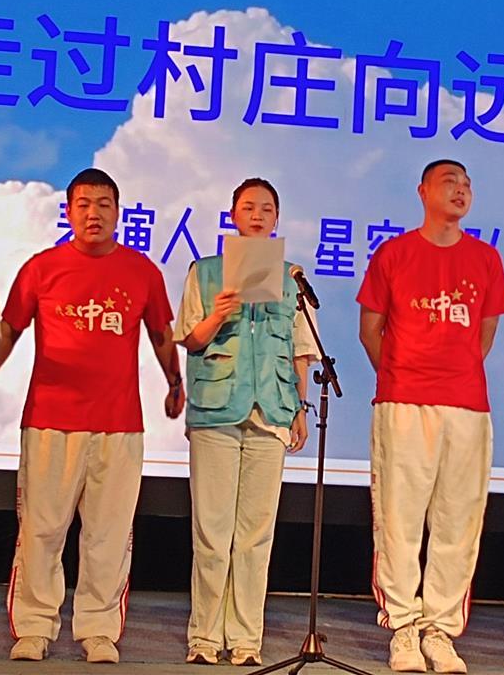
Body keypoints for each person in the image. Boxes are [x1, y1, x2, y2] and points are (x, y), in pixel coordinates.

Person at [0, 167, 184, 663]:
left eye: (103, 204)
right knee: (42, 529)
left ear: (118, 213)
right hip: (50, 419)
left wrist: (175, 382)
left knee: (108, 533)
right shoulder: (42, 268)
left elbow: (161, 334)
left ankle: (98, 629)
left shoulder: (142, 271)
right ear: (69, 212)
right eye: (83, 204)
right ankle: (34, 627)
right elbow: (9, 330)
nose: (93, 213)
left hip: (119, 423)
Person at [357, 159, 504, 675]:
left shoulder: (485, 258)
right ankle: (402, 625)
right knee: (399, 518)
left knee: (457, 521)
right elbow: (370, 330)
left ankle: (440, 629)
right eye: (450, 182)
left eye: (467, 184)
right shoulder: (394, 253)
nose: (461, 190)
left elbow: (485, 332)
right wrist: (404, 375)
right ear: (423, 191)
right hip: (403, 402)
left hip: (466, 405)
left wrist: (452, 372)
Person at [175, 178, 316, 666]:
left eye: (267, 208)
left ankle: (246, 638)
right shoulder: (205, 272)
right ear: (233, 215)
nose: (257, 215)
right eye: (249, 207)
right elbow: (190, 338)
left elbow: (301, 350)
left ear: (277, 218)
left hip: (271, 410)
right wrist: (218, 314)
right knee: (212, 531)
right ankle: (204, 636)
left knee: (256, 534)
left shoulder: (291, 279)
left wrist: (300, 407)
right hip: (217, 409)